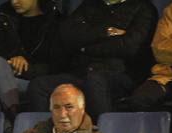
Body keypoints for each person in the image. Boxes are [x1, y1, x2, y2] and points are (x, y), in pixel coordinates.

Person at [25, 0, 158, 118]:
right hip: (82, 72)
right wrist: (106, 31)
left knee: (95, 81)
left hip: (119, 74)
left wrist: (86, 48)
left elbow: (129, 46)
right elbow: (68, 34)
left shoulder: (143, 8)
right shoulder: (90, 4)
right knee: (38, 86)